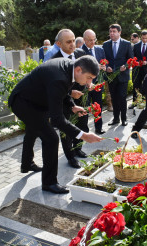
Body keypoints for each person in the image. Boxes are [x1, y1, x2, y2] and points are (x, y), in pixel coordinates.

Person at [8, 55, 103, 194]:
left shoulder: (69, 69)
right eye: (89, 77)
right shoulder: (59, 77)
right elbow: (57, 119)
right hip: (23, 103)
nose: (90, 82)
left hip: (36, 101)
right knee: (51, 138)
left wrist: (72, 106)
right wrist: (83, 135)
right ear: (78, 70)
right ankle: (49, 183)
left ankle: (27, 164)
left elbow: (62, 92)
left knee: (35, 131)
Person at [51, 29, 88, 168]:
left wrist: (89, 83)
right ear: (59, 44)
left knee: (83, 124)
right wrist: (71, 93)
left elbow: (86, 71)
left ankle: (78, 148)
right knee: (66, 130)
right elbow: (54, 85)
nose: (73, 44)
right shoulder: (55, 60)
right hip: (65, 100)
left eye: (73, 40)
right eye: (68, 42)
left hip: (82, 97)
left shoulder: (80, 54)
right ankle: (70, 157)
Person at [102, 23, 134, 126]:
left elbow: (131, 60)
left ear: (119, 32)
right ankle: (116, 119)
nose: (111, 34)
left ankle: (124, 119)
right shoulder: (105, 44)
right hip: (111, 77)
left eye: (114, 31)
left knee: (122, 97)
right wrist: (107, 67)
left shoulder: (127, 44)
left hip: (123, 76)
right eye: (110, 32)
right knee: (114, 98)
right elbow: (104, 60)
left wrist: (125, 66)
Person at [81, 29, 107, 134]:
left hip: (97, 83)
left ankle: (98, 127)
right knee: (86, 108)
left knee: (98, 105)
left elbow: (105, 63)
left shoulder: (100, 50)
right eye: (90, 40)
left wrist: (105, 67)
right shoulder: (80, 51)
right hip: (85, 85)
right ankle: (84, 130)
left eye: (94, 39)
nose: (92, 42)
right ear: (84, 40)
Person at [130, 30, 147, 108]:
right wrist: (136, 62)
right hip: (137, 69)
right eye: (143, 38)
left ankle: (146, 102)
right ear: (141, 37)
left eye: (146, 38)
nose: (144, 40)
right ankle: (134, 102)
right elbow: (132, 56)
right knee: (136, 85)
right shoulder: (136, 46)